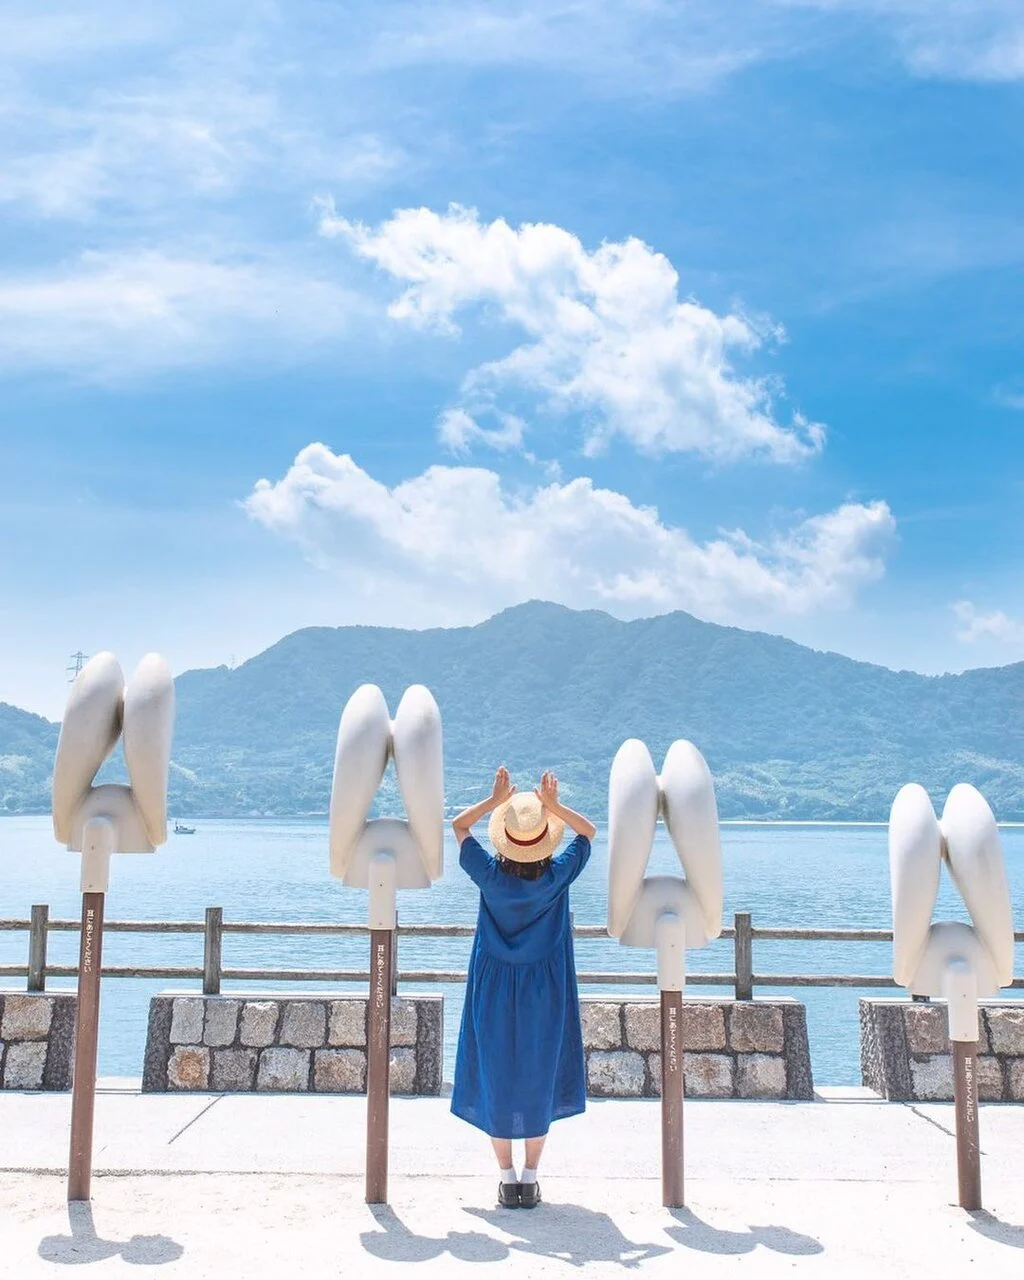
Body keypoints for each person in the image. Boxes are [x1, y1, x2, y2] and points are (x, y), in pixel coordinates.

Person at [450, 765, 596, 1209]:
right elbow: (588, 833)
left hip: (493, 985)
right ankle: (530, 1179)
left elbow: (458, 827)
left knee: (495, 1071)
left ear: (505, 839)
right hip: (544, 989)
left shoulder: (490, 877)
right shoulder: (557, 878)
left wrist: (494, 801)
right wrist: (554, 805)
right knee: (538, 1072)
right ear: (544, 839)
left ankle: (506, 1177)